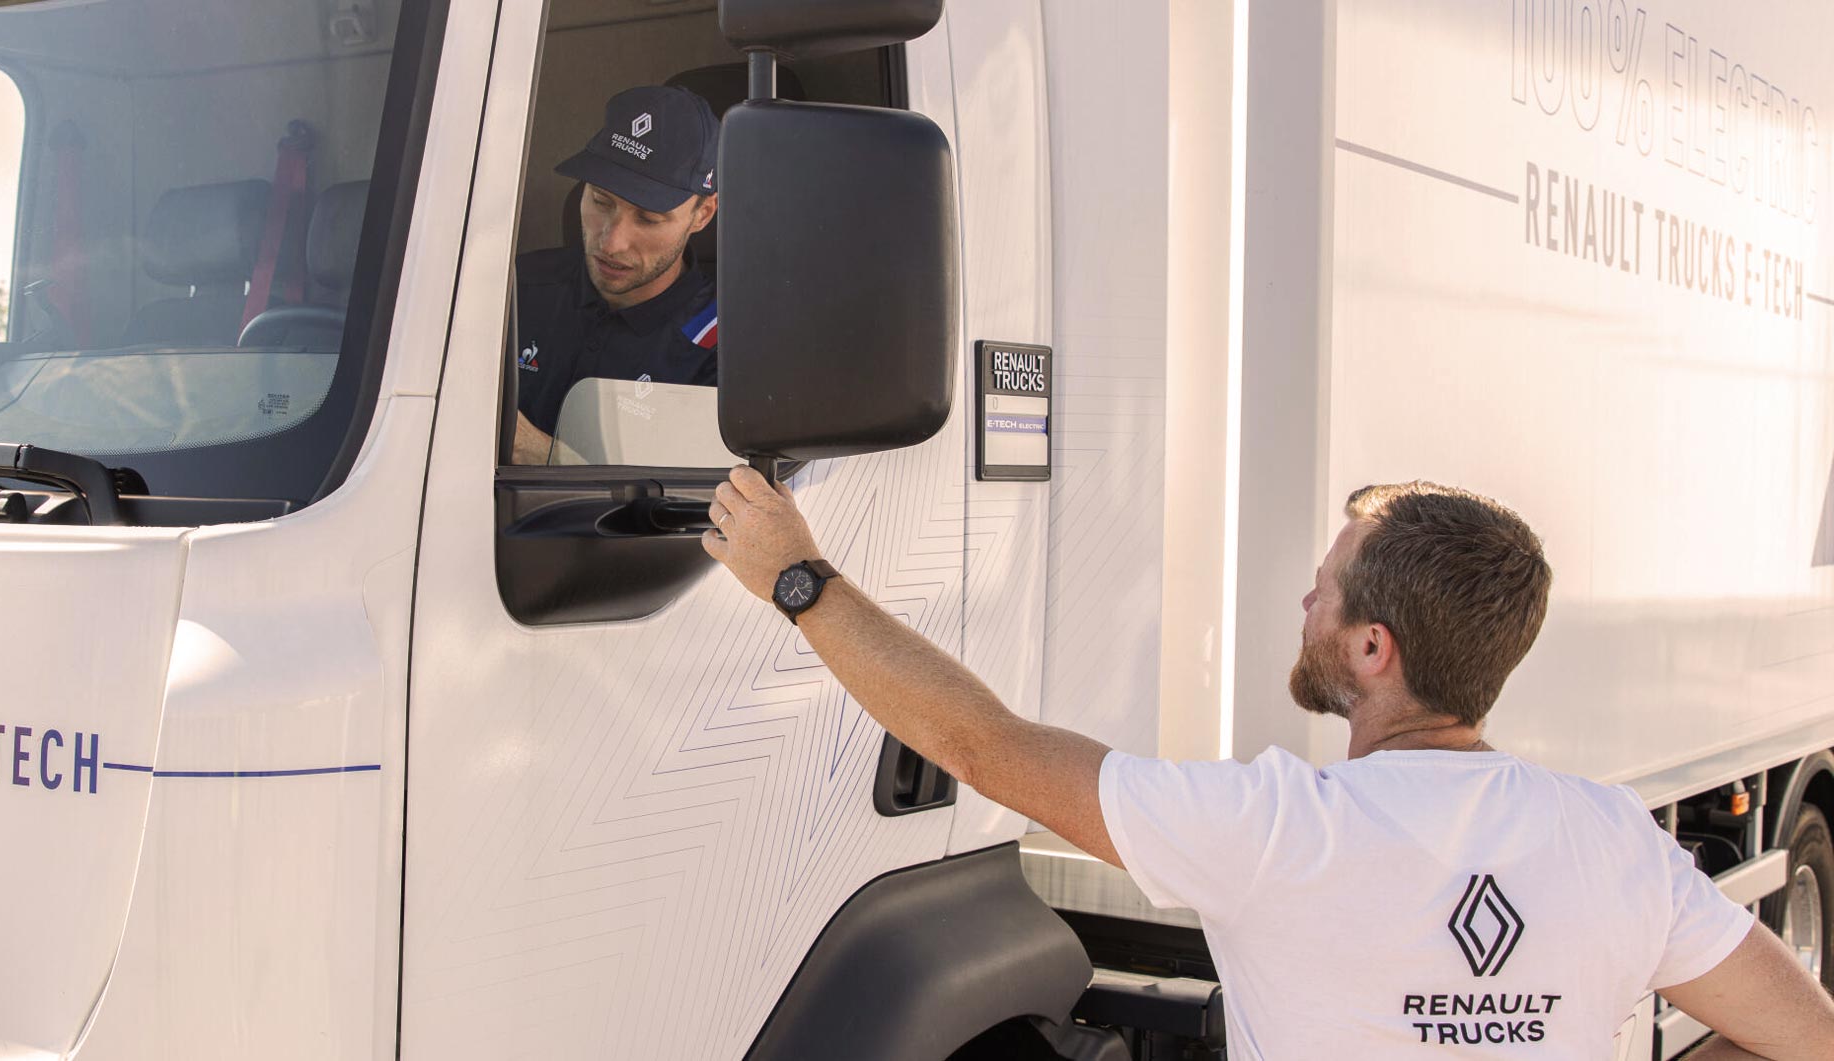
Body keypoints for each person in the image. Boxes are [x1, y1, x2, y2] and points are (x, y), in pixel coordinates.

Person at [700, 469, 1834, 1058]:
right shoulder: (1609, 839)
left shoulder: (1274, 831)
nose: (1305, 599)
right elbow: (1805, 1035)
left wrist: (798, 577)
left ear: (1371, 648)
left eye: (1325, 587)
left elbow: (980, 746)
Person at [510, 85, 721, 465]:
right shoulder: (513, 288)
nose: (612, 243)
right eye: (600, 201)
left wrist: (541, 455)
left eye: (649, 218)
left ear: (702, 214)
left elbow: (689, 510)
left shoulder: (721, 348)